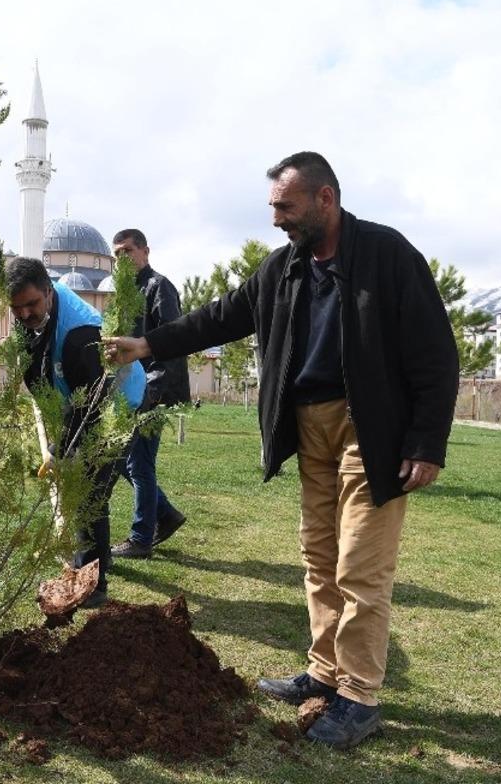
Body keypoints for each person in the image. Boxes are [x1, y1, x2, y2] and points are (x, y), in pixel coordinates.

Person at [103, 152, 458, 750]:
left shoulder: (387, 255)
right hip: (310, 428)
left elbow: (435, 353)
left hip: (368, 429)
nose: (276, 220)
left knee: (360, 567)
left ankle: (360, 696)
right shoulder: (283, 267)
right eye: (273, 208)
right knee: (318, 557)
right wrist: (147, 343)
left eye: (285, 207)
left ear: (325, 199)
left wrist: (426, 443)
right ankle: (322, 673)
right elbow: (217, 319)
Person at [6, 257, 145, 608]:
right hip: (80, 399)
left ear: (49, 293)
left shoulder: (80, 335)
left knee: (88, 490)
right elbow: (36, 375)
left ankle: (93, 586)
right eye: (16, 308)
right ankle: (93, 562)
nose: (24, 314)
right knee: (81, 483)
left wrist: (60, 447)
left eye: (32, 305)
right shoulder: (30, 316)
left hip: (117, 403)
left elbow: (91, 407)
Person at [108, 229, 191, 559]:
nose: (122, 259)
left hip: (153, 392)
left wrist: (154, 393)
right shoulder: (126, 294)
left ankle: (141, 538)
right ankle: (166, 514)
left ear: (145, 251)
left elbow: (171, 341)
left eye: (128, 251)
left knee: (139, 463)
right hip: (129, 392)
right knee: (122, 462)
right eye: (117, 254)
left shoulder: (159, 287)